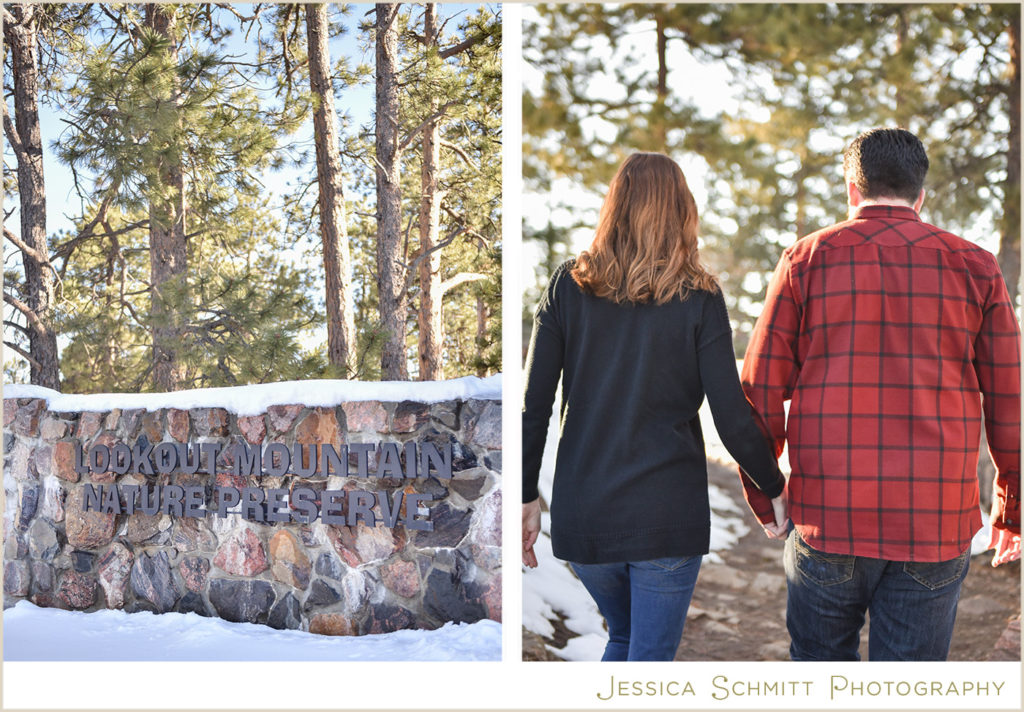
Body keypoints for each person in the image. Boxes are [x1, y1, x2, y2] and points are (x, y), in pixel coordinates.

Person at [740, 127, 1021, 661]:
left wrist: (766, 489)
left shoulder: (804, 261)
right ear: (920, 195)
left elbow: (759, 390)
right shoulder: (978, 266)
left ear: (851, 190)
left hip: (828, 516)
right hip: (935, 521)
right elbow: (1009, 400)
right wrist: (1012, 505)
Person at [521, 152, 788, 662]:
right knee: (648, 659)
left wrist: (525, 496)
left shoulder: (567, 286)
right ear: (682, 210)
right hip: (666, 514)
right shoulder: (700, 297)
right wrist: (772, 486)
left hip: (586, 512)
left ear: (613, 206)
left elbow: (534, 406)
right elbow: (731, 415)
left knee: (623, 640)